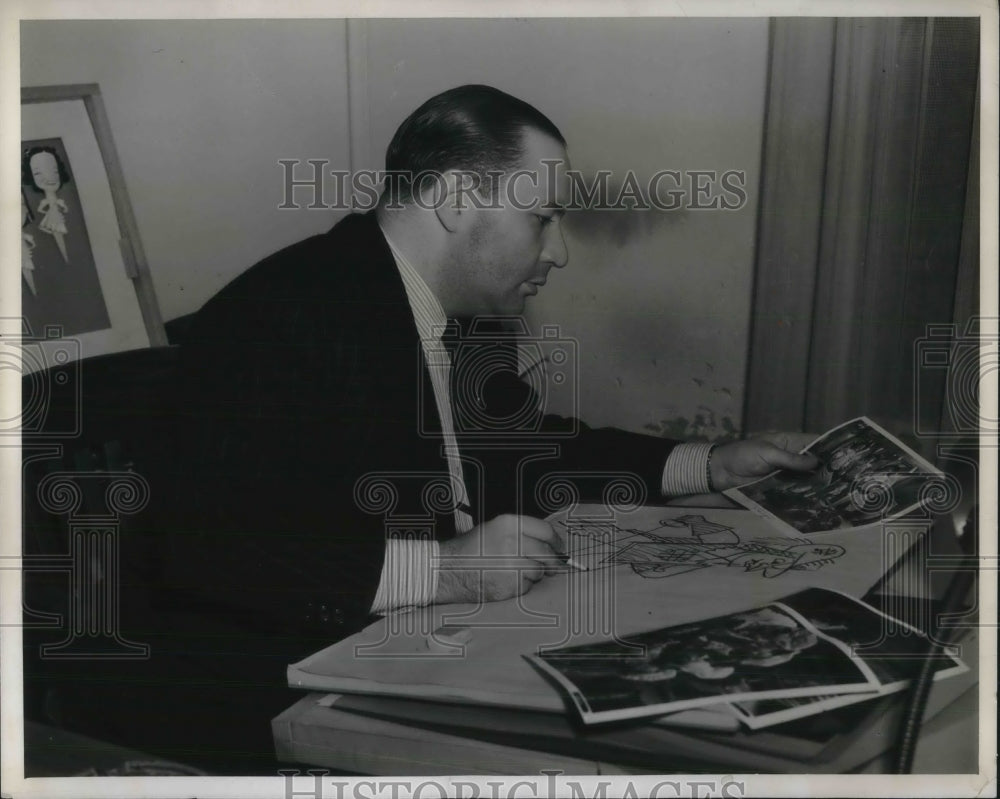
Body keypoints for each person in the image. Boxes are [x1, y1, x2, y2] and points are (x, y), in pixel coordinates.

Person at [46, 84, 816, 773]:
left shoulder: (461, 314)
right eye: (542, 218)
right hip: (260, 686)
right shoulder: (286, 311)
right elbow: (211, 547)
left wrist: (708, 463)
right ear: (454, 199)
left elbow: (530, 450)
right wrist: (444, 571)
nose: (561, 252)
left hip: (413, 645)